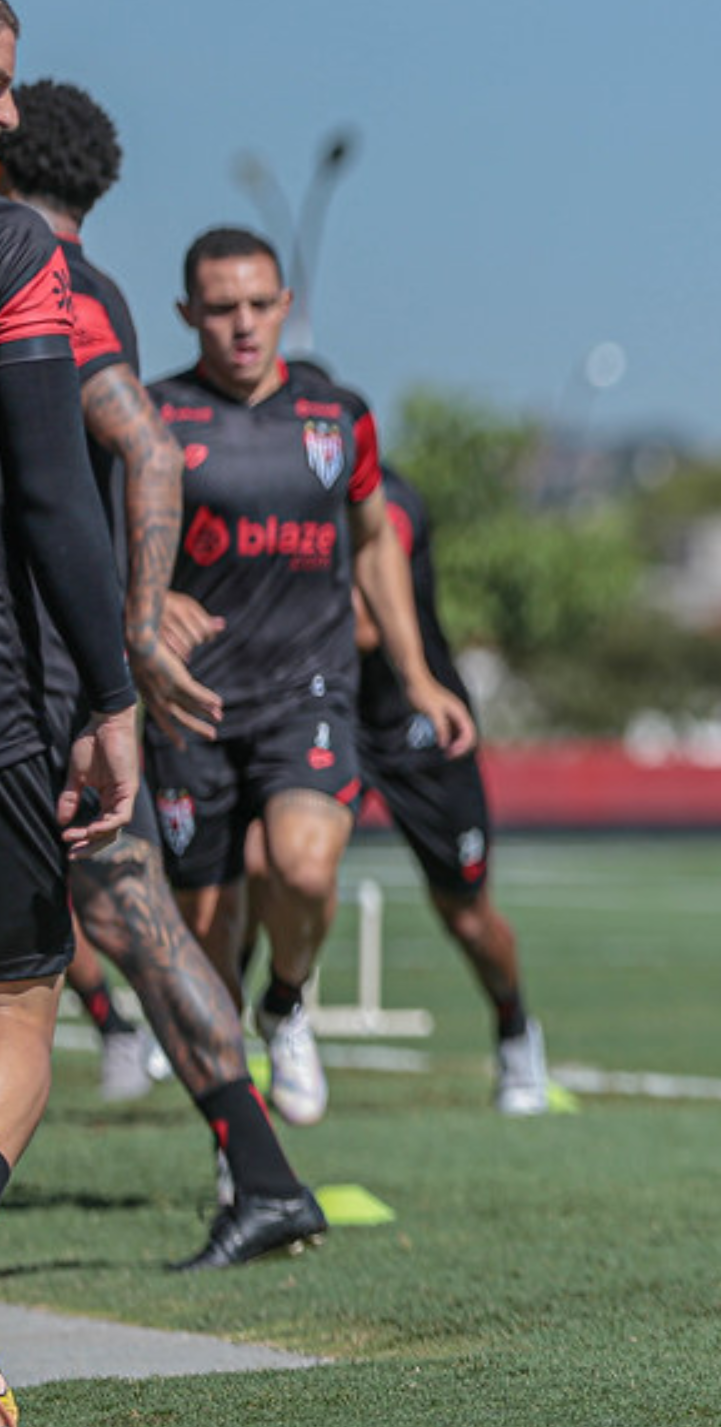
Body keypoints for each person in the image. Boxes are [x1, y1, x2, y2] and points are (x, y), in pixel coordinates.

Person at [0, 78, 326, 1269]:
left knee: (114, 927)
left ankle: (267, 1168)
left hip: (29, 677)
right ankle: (266, 1171)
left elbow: (142, 444)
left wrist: (133, 619)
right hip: (52, 672)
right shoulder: (106, 287)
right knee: (132, 919)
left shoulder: (35, 273)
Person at [145, 227, 473, 1129]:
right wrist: (148, 599)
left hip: (308, 694)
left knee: (302, 864)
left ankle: (286, 1003)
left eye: (259, 305)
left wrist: (416, 677)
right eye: (220, 310)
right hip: (189, 706)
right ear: (188, 314)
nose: (243, 326)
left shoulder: (339, 417)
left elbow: (374, 546)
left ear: (284, 305)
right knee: (204, 941)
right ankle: (238, 1154)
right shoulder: (150, 417)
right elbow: (88, 535)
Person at [0, 5, 141, 1427]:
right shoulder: (10, 250)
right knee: (15, 1007)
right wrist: (113, 693)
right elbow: (51, 496)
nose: (4, 117)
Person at [242, 386, 554, 1116]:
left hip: (417, 723)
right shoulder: (268, 499)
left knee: (467, 914)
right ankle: (261, 1012)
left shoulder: (392, 503)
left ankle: (514, 1030)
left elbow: (369, 624)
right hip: (320, 711)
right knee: (267, 864)